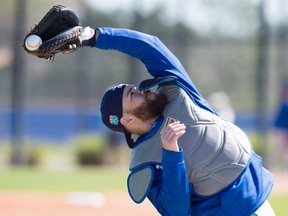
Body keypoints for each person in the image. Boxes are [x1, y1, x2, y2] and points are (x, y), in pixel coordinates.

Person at [66, 26, 275, 216]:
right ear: (127, 119)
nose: (142, 90)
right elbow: (176, 211)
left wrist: (94, 36)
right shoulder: (145, 161)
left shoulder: (177, 91)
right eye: (133, 94)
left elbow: (150, 47)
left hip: (260, 202)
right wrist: (171, 155)